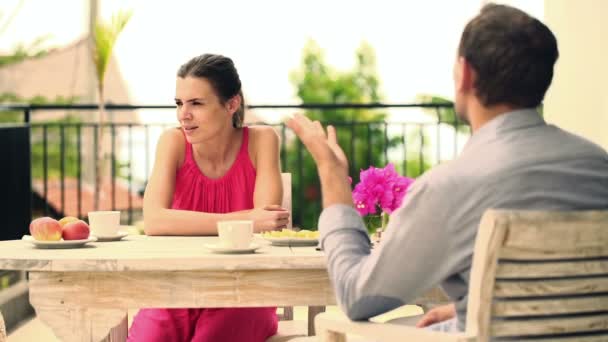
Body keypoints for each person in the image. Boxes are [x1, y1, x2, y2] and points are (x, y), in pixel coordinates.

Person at [286, 3, 608, 333]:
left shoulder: (452, 186)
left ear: (465, 73)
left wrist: (332, 174)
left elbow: (357, 297)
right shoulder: (601, 168)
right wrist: (474, 309)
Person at [128, 54, 289, 341]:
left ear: (231, 104)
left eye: (196, 103)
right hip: (175, 287)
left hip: (245, 292)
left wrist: (253, 220)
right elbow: (153, 220)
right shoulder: (172, 142)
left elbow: (266, 223)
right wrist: (242, 219)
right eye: (179, 103)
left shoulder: (263, 140)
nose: (183, 115)